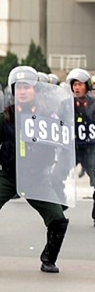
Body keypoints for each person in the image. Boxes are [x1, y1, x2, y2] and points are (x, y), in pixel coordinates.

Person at [0, 66, 70, 272]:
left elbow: (63, 145)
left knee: (58, 220)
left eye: (27, 87)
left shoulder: (48, 117)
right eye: (19, 88)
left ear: (36, 89)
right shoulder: (5, 116)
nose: (23, 91)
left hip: (37, 179)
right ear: (13, 91)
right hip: (10, 175)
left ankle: (48, 259)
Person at [67, 68, 95, 226]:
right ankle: (56, 210)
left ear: (87, 86)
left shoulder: (94, 104)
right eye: (74, 84)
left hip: (91, 148)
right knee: (59, 176)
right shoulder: (67, 104)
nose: (76, 88)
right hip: (73, 149)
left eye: (80, 84)